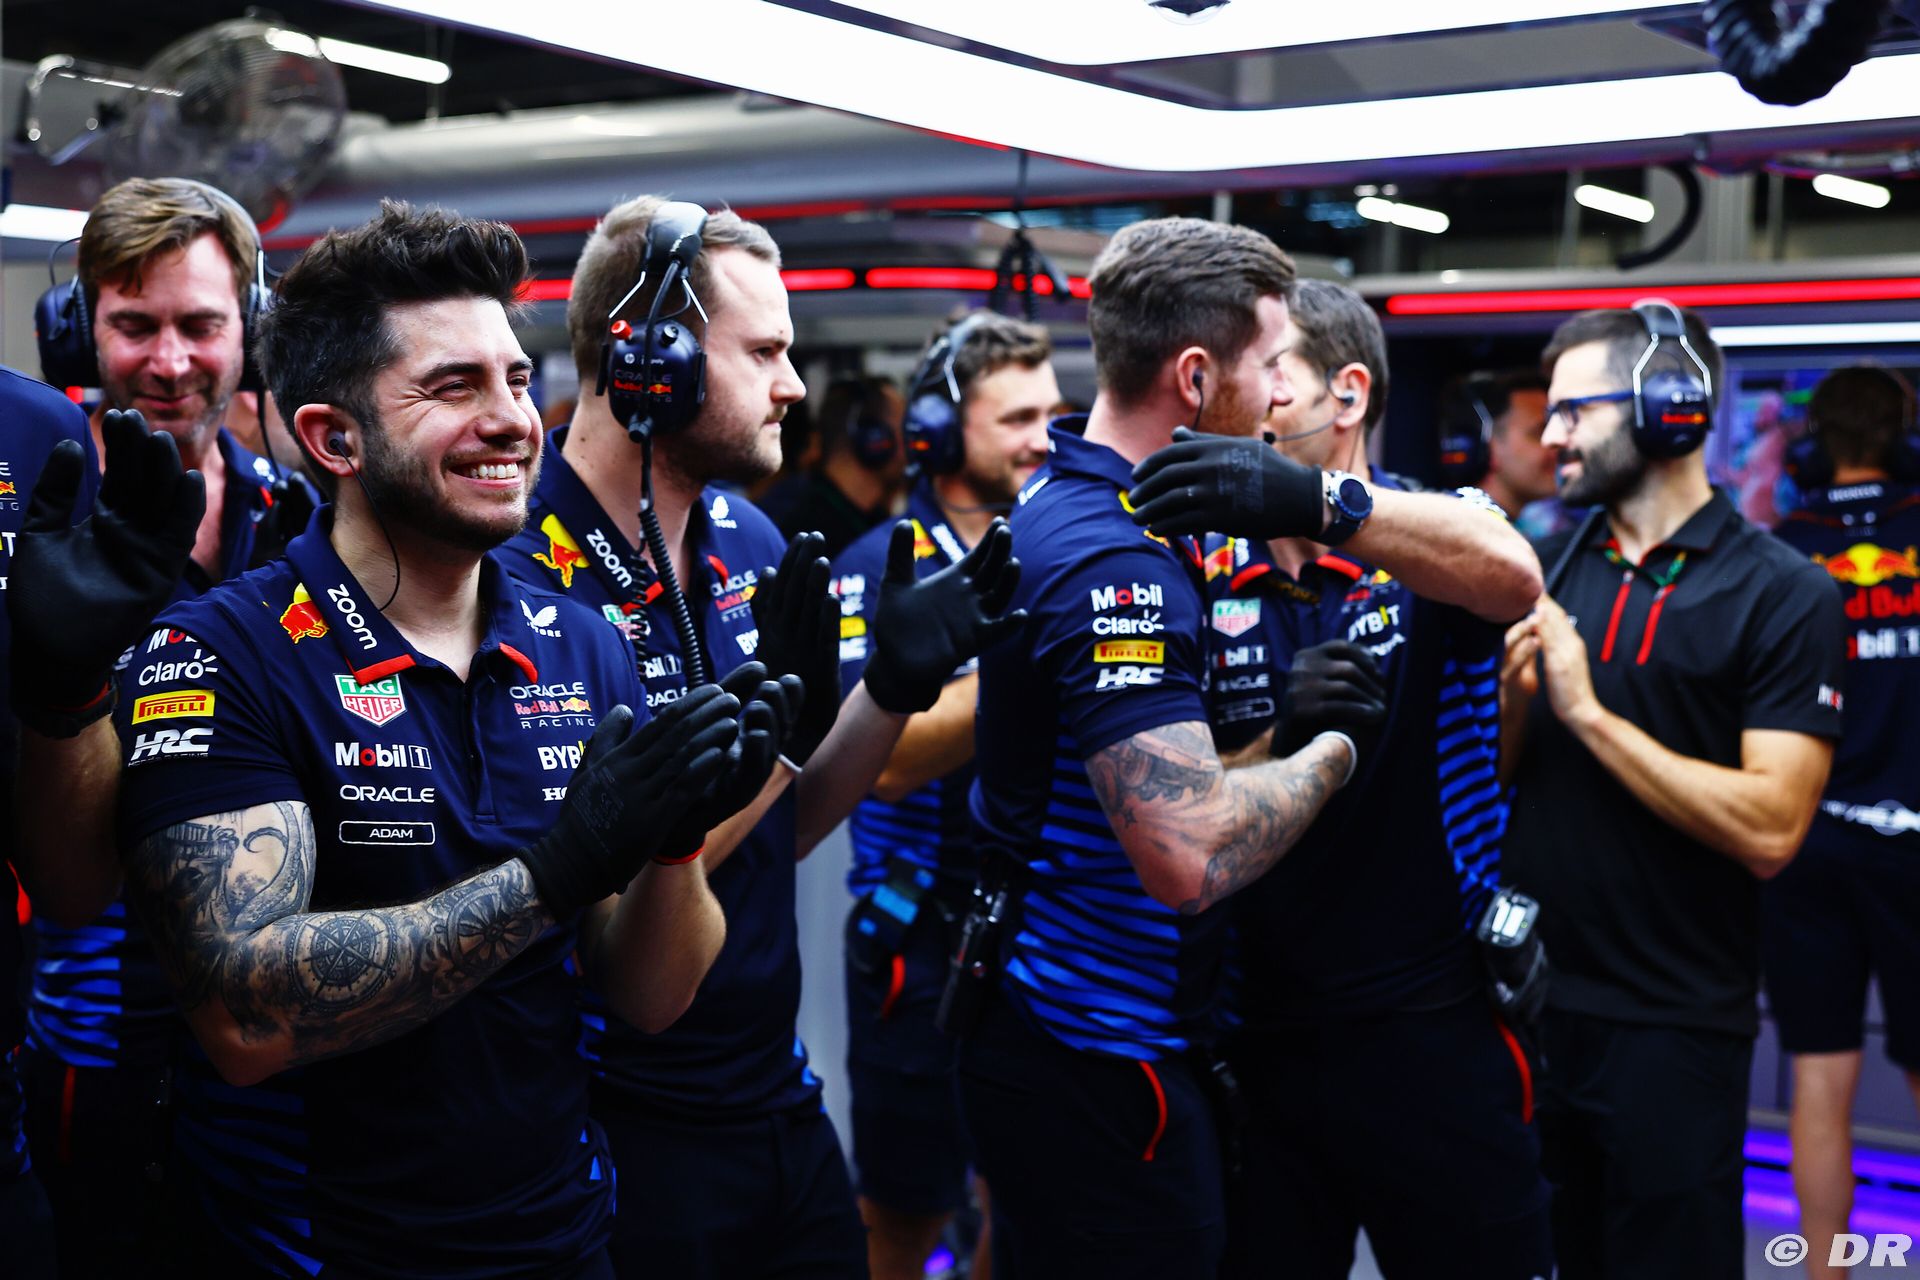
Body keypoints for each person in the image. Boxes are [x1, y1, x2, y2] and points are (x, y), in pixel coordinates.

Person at [112, 200, 796, 1277]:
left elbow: (648, 995)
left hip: (562, 1236)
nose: (514, 419)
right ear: (334, 438)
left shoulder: (581, 643)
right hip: (312, 1250)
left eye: (516, 380)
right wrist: (554, 872)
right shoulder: (216, 654)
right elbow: (246, 1019)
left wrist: (673, 838)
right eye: (454, 387)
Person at [507, 194, 1022, 1279]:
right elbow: (597, 889)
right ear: (645, 359)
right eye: (765, 352)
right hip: (620, 1114)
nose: (793, 385)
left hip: (773, 1092)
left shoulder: (749, 535)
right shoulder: (517, 572)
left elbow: (789, 826)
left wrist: (888, 692)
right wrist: (774, 756)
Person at [959, 217, 1377, 1278]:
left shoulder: (1082, 502)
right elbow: (1188, 856)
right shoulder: (1115, 559)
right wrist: (1328, 751)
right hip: (1100, 1049)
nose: (1279, 394)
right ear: (1195, 378)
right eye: (1269, 365)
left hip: (1065, 1033)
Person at [1125, 278, 1551, 1279]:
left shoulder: (1439, 527)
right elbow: (1170, 804)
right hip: (1258, 1030)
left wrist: (1322, 504)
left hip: (1434, 1025)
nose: (1246, 394)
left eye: (1272, 370)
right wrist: (1282, 738)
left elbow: (1513, 573)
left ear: (1347, 394)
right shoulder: (1194, 568)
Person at [1500, 302, 1847, 1280]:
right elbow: (1489, 781)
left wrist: (1590, 713)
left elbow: (1772, 827)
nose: (1552, 436)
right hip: (1526, 1009)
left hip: (1675, 1027)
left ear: (1671, 408)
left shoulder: (1785, 594)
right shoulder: (1541, 570)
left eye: (1575, 411)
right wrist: (1512, 706)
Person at [24, 175, 314, 1277]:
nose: (170, 360)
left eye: (200, 324)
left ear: (252, 331)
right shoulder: (44, 527)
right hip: (94, 1031)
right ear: (79, 331)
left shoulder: (296, 521)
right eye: (134, 325)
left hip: (262, 1030)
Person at [834, 310, 1057, 1280]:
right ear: (935, 429)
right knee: (903, 1210)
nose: (1045, 438)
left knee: (1030, 1197)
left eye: (1053, 413)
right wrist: (1028, 653)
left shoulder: (1063, 544)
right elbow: (885, 762)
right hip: (917, 939)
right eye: (1017, 418)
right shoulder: (876, 565)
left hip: (1043, 928)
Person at [1765, 365, 1920, 1280]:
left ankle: (1825, 1271)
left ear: (1813, 448)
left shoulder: (1782, 552)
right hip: (1914, 849)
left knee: (1820, 1078)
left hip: (1807, 842)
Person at [768, 375, 907, 555]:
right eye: (904, 430)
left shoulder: (871, 519)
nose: (911, 445)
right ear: (874, 440)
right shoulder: (809, 537)